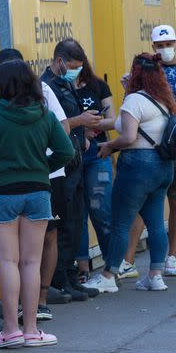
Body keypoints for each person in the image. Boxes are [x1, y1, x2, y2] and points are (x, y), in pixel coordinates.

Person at [0, 60, 74, 348]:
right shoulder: (43, 113)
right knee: (31, 261)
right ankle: (31, 330)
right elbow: (66, 149)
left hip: (1, 192)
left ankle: (10, 330)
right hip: (38, 191)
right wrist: (42, 166)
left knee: (7, 261)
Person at [83, 53, 176, 293]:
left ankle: (108, 275)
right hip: (162, 167)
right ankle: (156, 275)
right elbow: (122, 123)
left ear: (136, 74)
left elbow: (128, 136)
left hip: (137, 167)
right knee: (156, 223)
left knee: (120, 224)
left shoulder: (135, 100)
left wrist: (109, 146)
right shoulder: (163, 99)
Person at [122, 25, 176, 277]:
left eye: (169, 43)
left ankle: (171, 257)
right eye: (160, 45)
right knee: (140, 203)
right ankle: (127, 261)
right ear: (153, 46)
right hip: (148, 148)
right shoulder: (145, 71)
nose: (165, 48)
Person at [41, 39, 103, 302]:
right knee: (63, 225)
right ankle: (59, 281)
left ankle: (70, 277)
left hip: (76, 158)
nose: (77, 71)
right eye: (74, 66)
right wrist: (80, 121)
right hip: (60, 165)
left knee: (76, 221)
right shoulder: (46, 87)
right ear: (59, 62)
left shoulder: (65, 83)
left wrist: (84, 132)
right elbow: (54, 124)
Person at [74, 55, 115, 281]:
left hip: (98, 154)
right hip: (73, 156)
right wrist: (80, 125)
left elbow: (113, 119)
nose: (74, 70)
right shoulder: (59, 88)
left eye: (77, 65)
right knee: (77, 212)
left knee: (101, 210)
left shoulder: (97, 85)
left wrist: (93, 123)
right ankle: (82, 268)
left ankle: (112, 265)